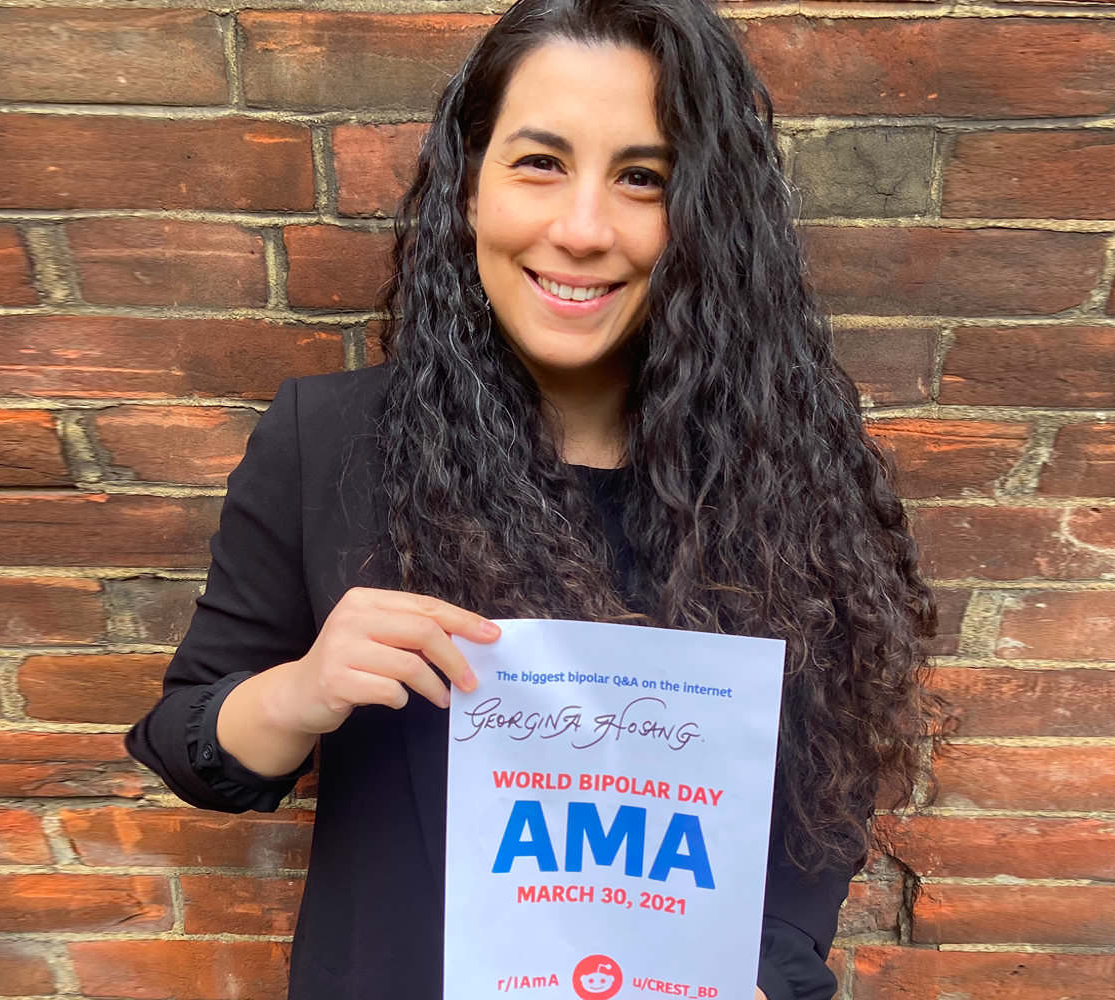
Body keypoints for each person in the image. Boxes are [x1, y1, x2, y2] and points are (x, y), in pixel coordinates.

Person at [124, 1, 948, 997]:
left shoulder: (787, 473)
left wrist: (759, 972)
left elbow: (818, 815)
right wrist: (301, 689)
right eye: (539, 163)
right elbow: (186, 744)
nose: (583, 229)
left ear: (706, 216)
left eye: (641, 177)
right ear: (468, 186)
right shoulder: (328, 442)